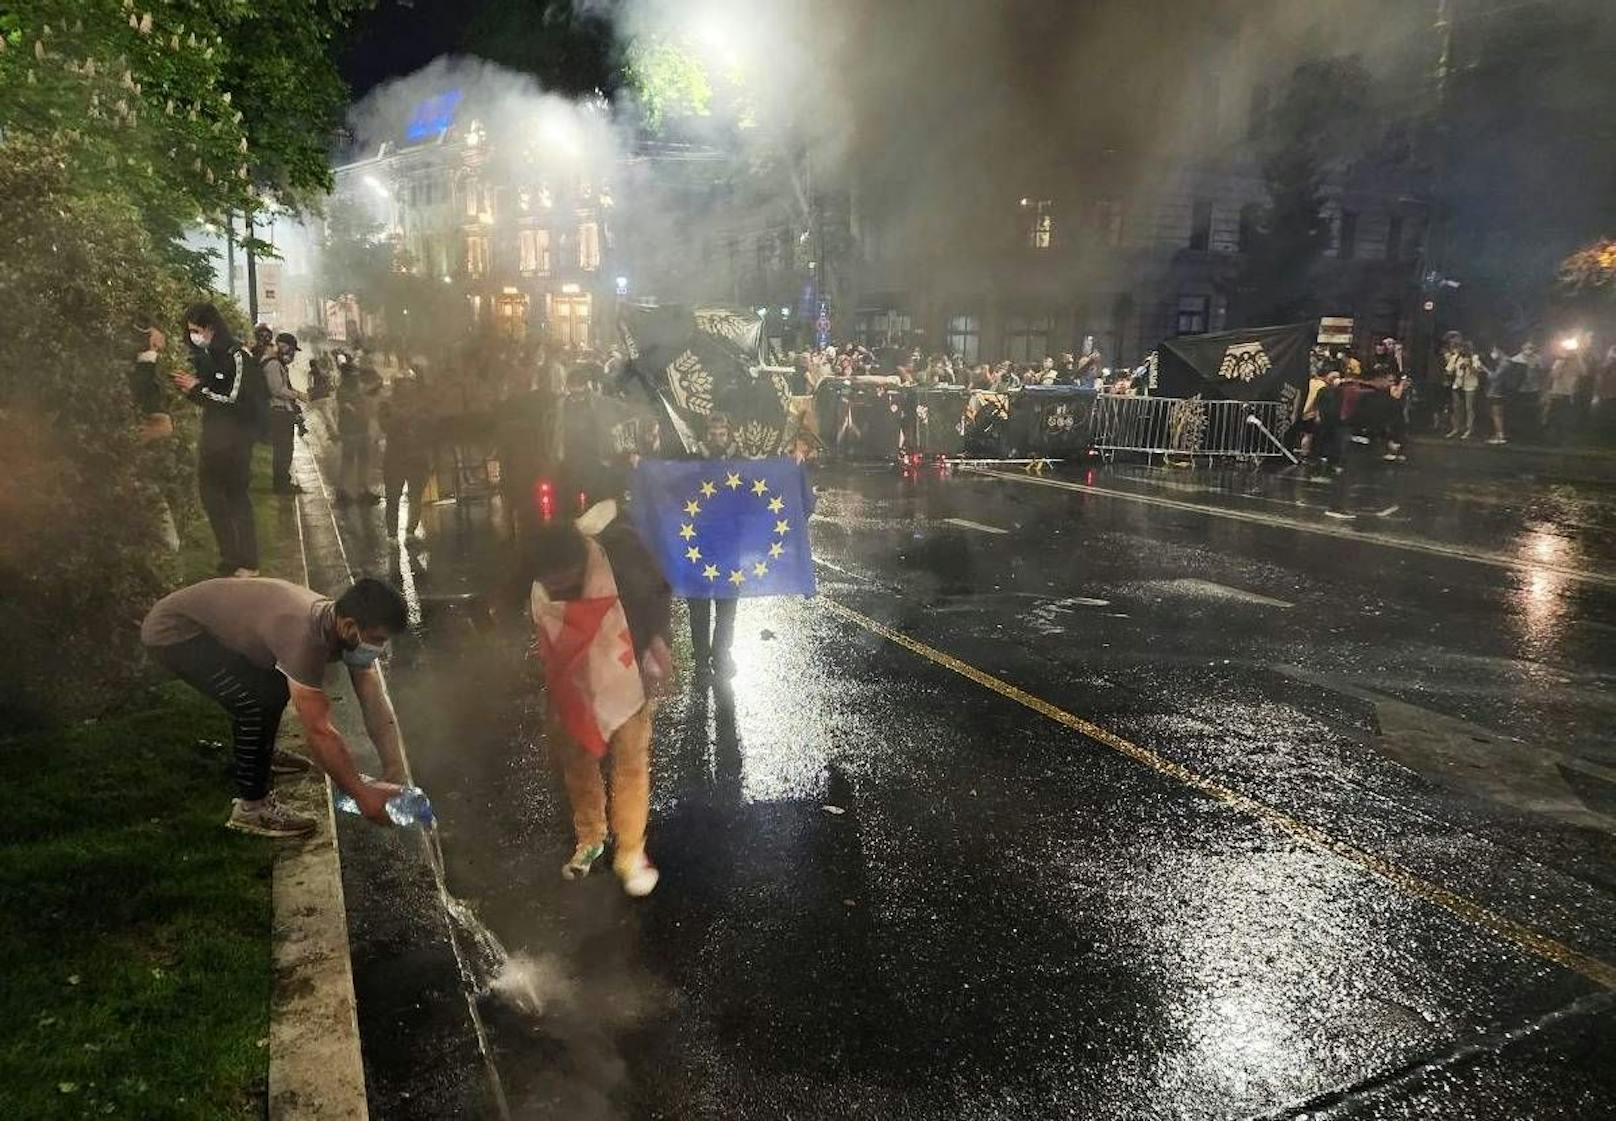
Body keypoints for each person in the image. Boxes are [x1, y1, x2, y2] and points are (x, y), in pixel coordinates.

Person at [140, 576, 411, 837]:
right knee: (253, 704)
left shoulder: (337, 625)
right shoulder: (304, 638)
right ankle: (251, 809)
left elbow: (374, 703)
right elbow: (319, 731)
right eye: (376, 639)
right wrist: (361, 794)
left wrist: (395, 770)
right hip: (175, 633)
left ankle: (261, 752)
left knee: (276, 686)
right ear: (350, 625)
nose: (379, 648)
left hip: (215, 628)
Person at [524, 504, 672, 896]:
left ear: (583, 561)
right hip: (573, 680)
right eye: (552, 588)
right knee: (576, 754)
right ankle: (590, 839)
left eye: (568, 584)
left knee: (630, 760)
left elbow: (659, 593)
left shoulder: (622, 556)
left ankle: (630, 852)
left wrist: (658, 640)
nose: (560, 593)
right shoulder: (538, 576)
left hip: (626, 675)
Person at [173, 303, 262, 577]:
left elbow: (233, 401)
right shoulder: (207, 354)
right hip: (214, 439)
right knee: (213, 498)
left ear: (211, 327)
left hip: (236, 441)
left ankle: (247, 561)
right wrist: (195, 389)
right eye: (190, 332)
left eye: (196, 330)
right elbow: (211, 395)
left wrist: (197, 390)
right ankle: (231, 557)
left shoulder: (236, 355)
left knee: (235, 497)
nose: (193, 336)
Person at [380, 371, 430, 542]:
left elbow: (430, 426)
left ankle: (410, 531)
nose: (408, 388)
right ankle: (393, 534)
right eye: (405, 384)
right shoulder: (387, 404)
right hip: (396, 457)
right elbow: (385, 425)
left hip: (417, 457)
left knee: (415, 497)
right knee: (394, 497)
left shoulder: (422, 404)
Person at [263, 332, 308, 495]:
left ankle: (284, 481)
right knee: (282, 450)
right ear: (283, 346)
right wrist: (296, 395)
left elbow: (284, 387)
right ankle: (281, 485)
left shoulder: (278, 363)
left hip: (282, 412)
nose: (293, 354)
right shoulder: (273, 364)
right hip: (278, 412)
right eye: (292, 350)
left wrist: (298, 395)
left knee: (286, 450)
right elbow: (277, 389)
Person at [335, 354, 380, 505]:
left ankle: (362, 490)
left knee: (363, 460)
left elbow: (369, 393)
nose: (356, 376)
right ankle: (342, 491)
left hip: (361, 428)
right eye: (353, 373)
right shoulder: (344, 391)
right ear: (347, 376)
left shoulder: (354, 387)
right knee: (349, 460)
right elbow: (351, 406)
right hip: (350, 431)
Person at [1444, 339, 1481, 439]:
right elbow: (1448, 371)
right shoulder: (1456, 357)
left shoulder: (1474, 358)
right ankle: (1456, 428)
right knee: (1456, 407)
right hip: (1458, 385)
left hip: (1470, 385)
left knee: (1469, 408)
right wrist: (1449, 361)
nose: (1463, 350)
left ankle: (1469, 428)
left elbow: (1477, 372)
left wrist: (1469, 365)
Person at [1481, 343, 1517, 444]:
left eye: (1494, 350)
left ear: (1500, 350)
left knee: (1497, 414)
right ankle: (1499, 434)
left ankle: (1500, 436)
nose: (1493, 353)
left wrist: (1485, 370)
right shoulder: (1504, 362)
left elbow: (1495, 377)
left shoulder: (1505, 363)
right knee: (1496, 414)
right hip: (1499, 390)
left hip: (1498, 391)